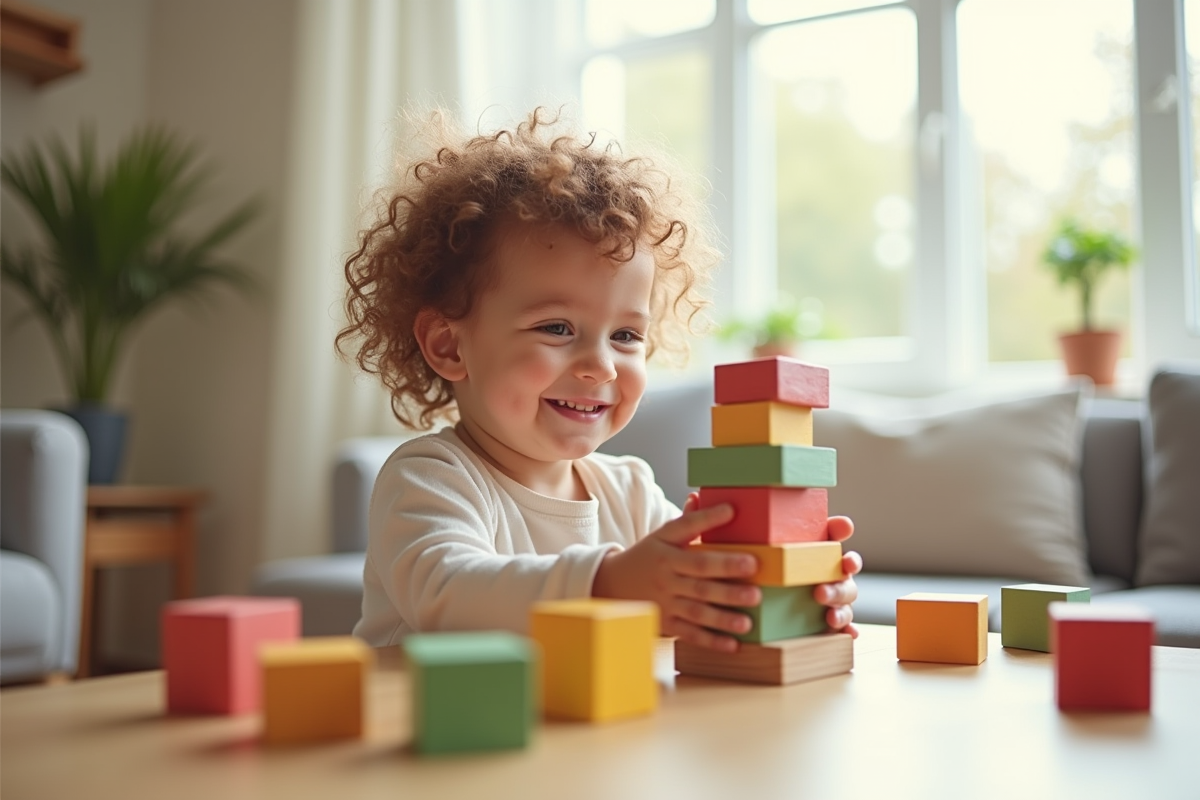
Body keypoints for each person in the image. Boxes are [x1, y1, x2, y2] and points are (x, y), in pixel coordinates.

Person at [339, 107, 861, 653]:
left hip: (576, 732)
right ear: (448, 345)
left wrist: (794, 588)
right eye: (557, 327)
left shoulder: (630, 492)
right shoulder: (432, 478)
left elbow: (702, 586)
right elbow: (446, 594)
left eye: (626, 336)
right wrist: (608, 584)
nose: (602, 366)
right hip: (433, 726)